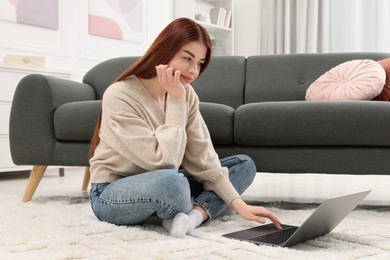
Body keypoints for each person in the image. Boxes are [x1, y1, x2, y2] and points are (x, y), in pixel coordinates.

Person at [88, 17, 282, 238]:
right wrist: (176, 100)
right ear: (164, 51)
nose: (193, 71)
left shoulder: (187, 93)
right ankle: (190, 207)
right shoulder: (121, 94)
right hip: (112, 192)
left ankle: (192, 218)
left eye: (199, 62)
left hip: (165, 181)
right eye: (187, 58)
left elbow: (203, 155)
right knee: (174, 183)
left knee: (243, 165)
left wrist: (239, 204)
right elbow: (165, 161)